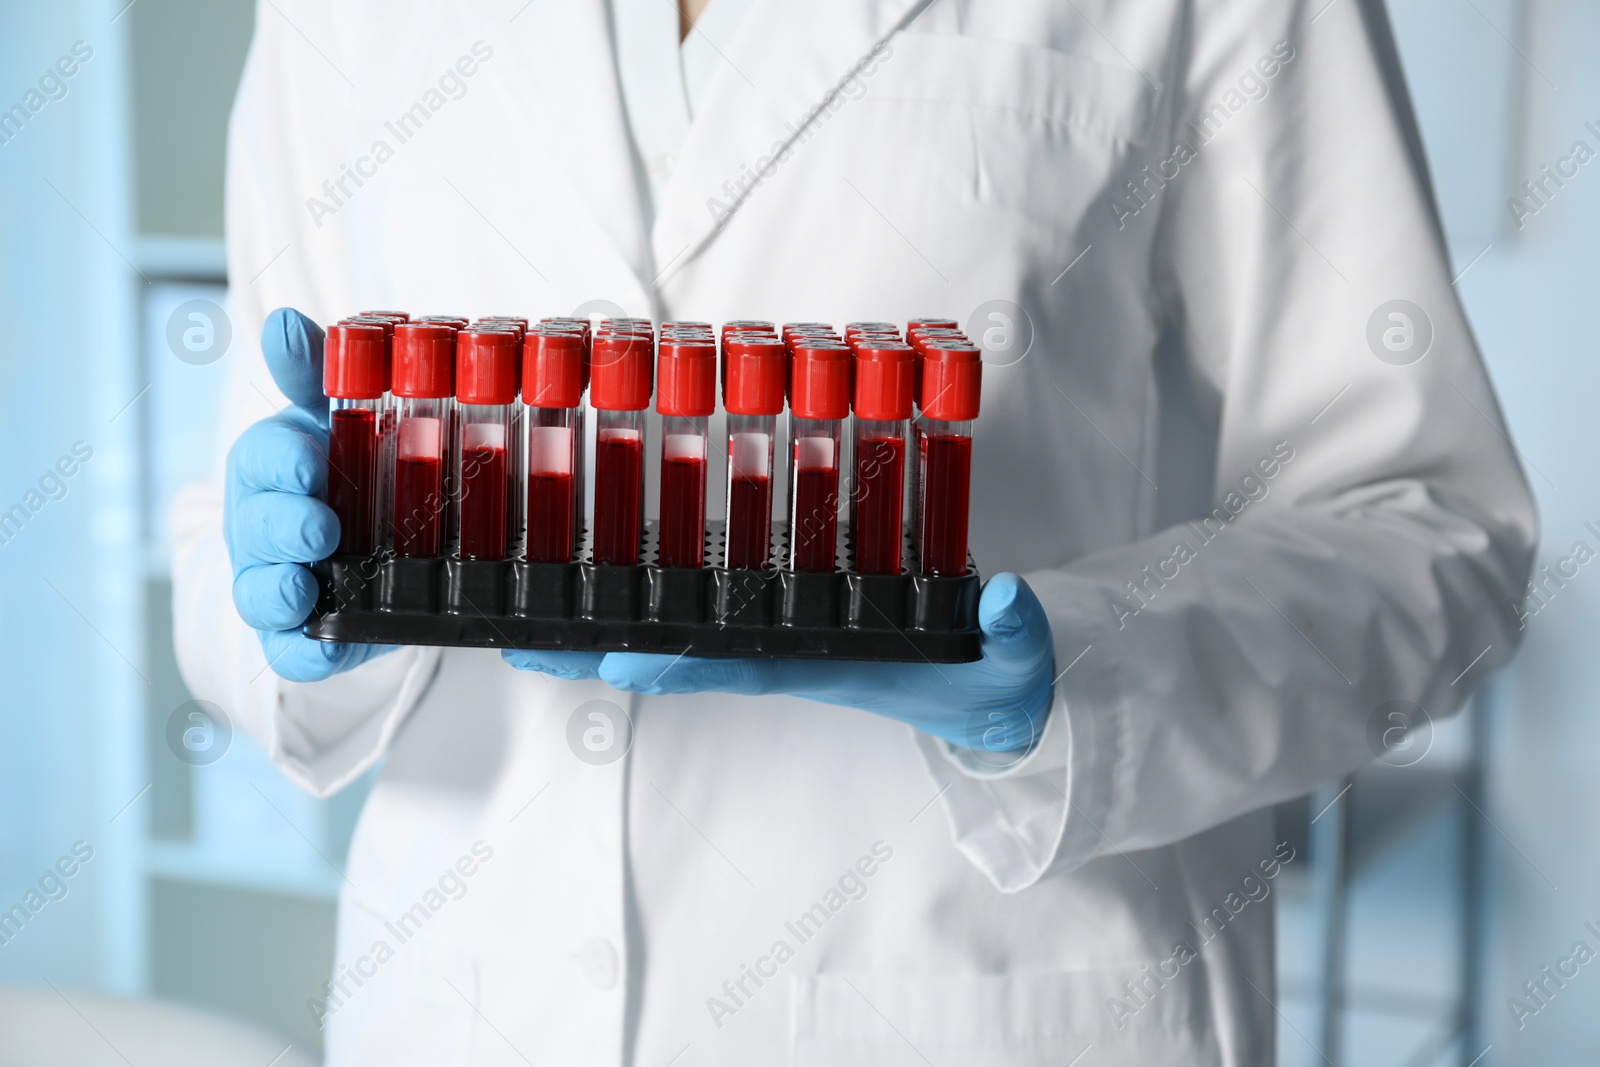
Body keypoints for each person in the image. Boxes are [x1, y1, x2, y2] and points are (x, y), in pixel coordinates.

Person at [173, 0, 1536, 1063]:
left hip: (978, 1000)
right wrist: (290, 603)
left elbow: (1428, 526)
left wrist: (1075, 676)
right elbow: (237, 501)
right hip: (464, 1008)